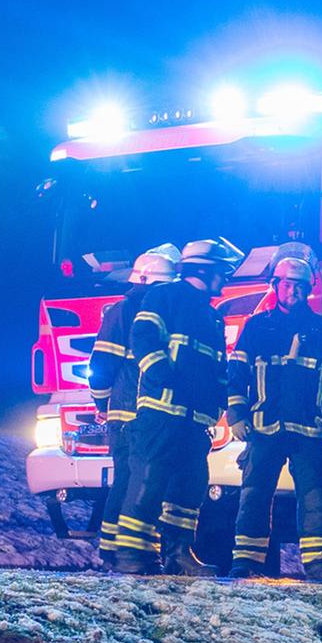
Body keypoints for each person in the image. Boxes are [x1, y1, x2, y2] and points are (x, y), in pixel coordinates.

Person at [223, 244, 322, 581]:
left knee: (314, 499)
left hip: (310, 431)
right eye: (285, 284)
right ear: (275, 285)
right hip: (264, 429)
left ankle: (318, 566)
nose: (291, 291)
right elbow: (235, 375)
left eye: (298, 286)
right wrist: (236, 416)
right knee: (254, 495)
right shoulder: (256, 327)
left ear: (308, 289)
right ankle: (246, 564)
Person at [114, 237, 242, 574]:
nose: (225, 279)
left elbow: (218, 367)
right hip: (161, 412)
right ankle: (132, 556)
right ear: (204, 269)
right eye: (222, 272)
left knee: (190, 487)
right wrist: (161, 374)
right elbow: (142, 338)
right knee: (149, 481)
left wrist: (218, 404)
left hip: (195, 421)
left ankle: (179, 554)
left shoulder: (213, 318)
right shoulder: (164, 296)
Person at [88, 244, 179, 569]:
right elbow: (102, 365)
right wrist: (103, 402)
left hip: (131, 412)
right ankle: (118, 552)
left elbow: (100, 369)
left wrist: (102, 401)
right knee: (131, 480)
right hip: (134, 414)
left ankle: (116, 551)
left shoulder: (123, 310)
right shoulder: (133, 312)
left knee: (131, 481)